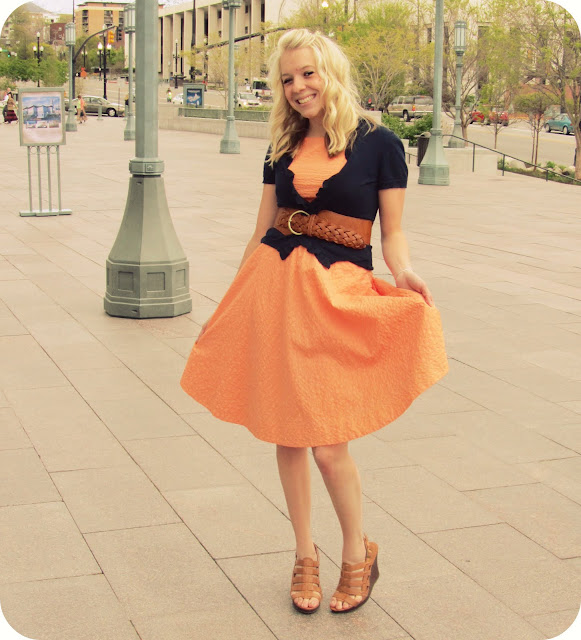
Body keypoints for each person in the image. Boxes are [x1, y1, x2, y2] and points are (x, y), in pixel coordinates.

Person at [181, 29, 448, 615]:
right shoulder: (281, 144)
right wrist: (228, 304)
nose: (298, 87)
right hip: (275, 293)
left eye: (308, 73)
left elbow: (393, 232)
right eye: (287, 79)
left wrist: (404, 272)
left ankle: (358, 553)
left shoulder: (380, 143)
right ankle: (304, 553)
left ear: (330, 71)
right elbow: (261, 229)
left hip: (336, 297)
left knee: (328, 446)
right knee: (287, 432)